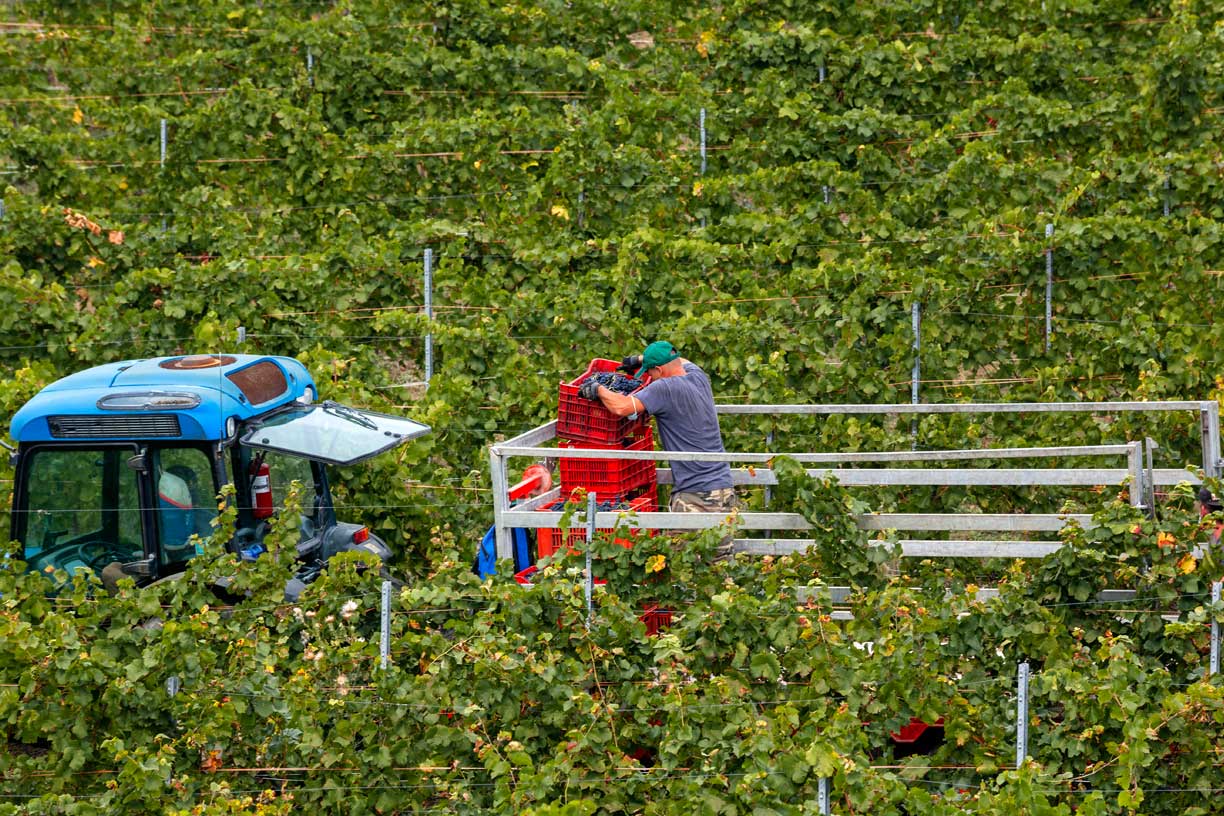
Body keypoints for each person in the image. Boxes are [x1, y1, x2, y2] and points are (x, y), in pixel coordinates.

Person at [579, 340, 738, 560]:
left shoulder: (665, 387)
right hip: (723, 491)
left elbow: (622, 407)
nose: (649, 378)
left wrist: (599, 390)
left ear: (660, 370)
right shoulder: (698, 377)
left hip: (696, 498)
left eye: (650, 373)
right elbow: (679, 359)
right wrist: (641, 360)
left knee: (682, 571)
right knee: (720, 570)